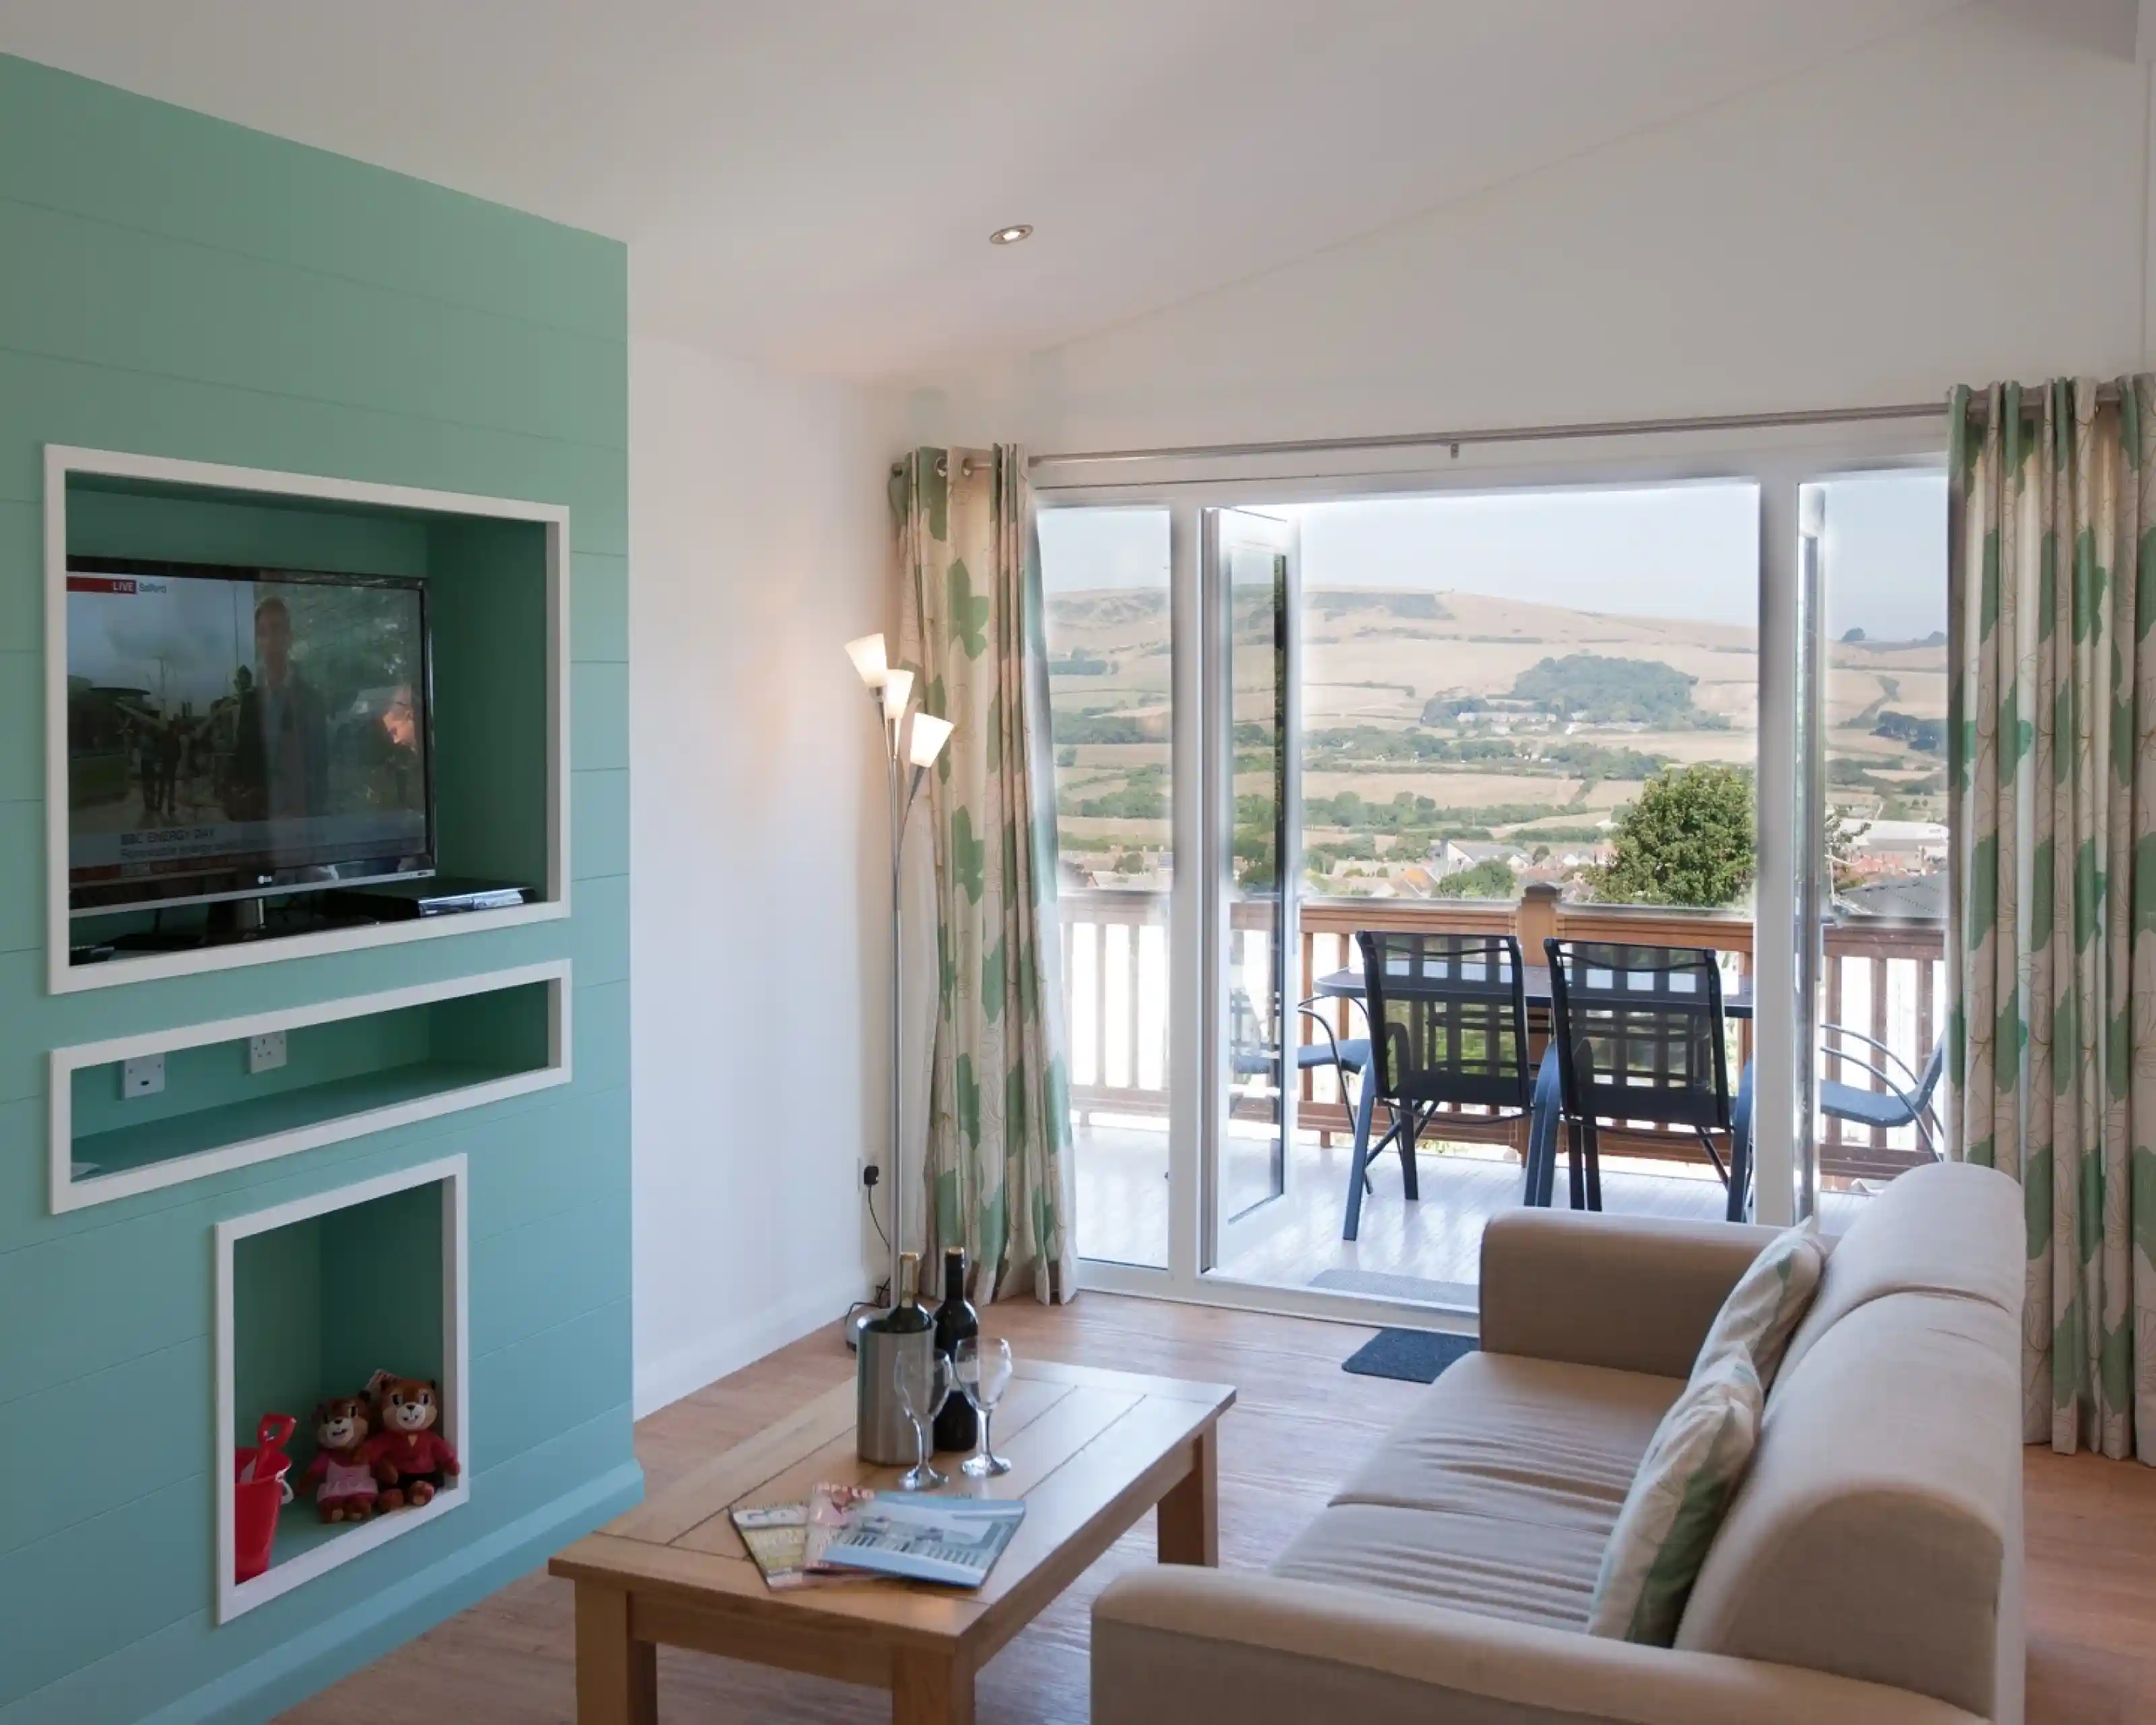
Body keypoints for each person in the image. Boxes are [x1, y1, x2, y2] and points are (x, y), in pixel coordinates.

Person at [227, 594, 329, 824]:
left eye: (276, 630)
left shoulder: (311, 700)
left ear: (288, 637)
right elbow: (240, 765)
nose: (270, 640)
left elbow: (320, 772)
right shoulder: (251, 702)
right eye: (263, 633)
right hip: (258, 826)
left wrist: (303, 811)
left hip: (300, 825)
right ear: (258, 641)